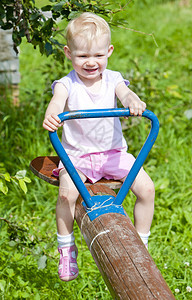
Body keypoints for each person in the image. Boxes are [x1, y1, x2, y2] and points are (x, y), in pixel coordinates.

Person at [43, 12, 155, 282]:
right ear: (69, 54)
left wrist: (133, 100)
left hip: (111, 154)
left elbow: (125, 93)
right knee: (65, 196)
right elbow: (58, 102)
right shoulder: (67, 84)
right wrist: (53, 113)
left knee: (147, 188)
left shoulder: (113, 78)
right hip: (77, 157)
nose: (91, 62)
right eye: (82, 56)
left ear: (109, 52)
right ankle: (66, 248)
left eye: (97, 55)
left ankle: (142, 244)